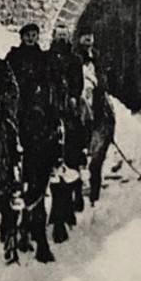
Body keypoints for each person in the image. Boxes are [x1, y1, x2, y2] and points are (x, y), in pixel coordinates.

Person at [5, 24, 59, 264]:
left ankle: (58, 162)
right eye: (27, 35)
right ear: (21, 37)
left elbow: (52, 86)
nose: (30, 38)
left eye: (34, 35)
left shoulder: (45, 59)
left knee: (56, 136)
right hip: (18, 115)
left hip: (39, 117)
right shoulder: (13, 58)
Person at [47, 32, 88, 237]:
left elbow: (78, 82)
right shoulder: (48, 58)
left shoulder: (75, 60)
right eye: (58, 35)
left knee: (78, 124)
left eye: (64, 36)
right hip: (52, 107)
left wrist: (73, 96)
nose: (61, 39)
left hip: (67, 106)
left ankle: (80, 152)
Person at [79, 31, 118, 205]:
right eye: (85, 37)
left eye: (90, 37)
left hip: (97, 92)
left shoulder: (97, 56)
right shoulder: (76, 55)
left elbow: (104, 77)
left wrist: (101, 85)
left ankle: (95, 188)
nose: (88, 40)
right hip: (82, 89)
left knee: (107, 110)